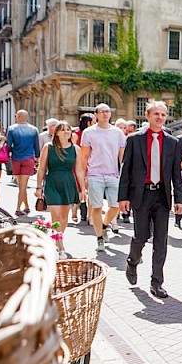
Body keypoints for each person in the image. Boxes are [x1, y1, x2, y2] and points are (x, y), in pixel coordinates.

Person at [118, 101, 182, 299]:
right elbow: (126, 171)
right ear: (147, 116)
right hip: (141, 195)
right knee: (141, 236)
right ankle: (132, 261)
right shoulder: (134, 140)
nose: (160, 117)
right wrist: (123, 197)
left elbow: (176, 174)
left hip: (162, 195)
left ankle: (157, 282)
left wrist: (179, 199)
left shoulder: (173, 143)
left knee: (161, 241)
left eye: (163, 115)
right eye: (156, 113)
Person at [35, 121, 86, 259]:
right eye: (62, 129)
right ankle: (61, 246)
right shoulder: (49, 147)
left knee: (64, 218)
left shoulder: (76, 149)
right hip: (52, 183)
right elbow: (41, 168)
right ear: (56, 133)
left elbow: (80, 171)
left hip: (68, 183)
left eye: (68, 129)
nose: (66, 132)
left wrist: (83, 189)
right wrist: (38, 187)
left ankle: (56, 239)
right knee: (56, 216)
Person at [80, 103, 126, 254]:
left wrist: (124, 175)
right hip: (95, 174)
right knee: (97, 207)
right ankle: (99, 237)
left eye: (108, 111)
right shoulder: (89, 132)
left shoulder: (118, 132)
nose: (106, 114)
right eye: (102, 112)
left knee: (115, 206)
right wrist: (84, 176)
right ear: (96, 114)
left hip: (113, 174)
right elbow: (84, 156)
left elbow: (122, 156)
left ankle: (105, 225)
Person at [5, 110, 40, 216]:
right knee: (22, 185)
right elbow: (36, 145)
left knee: (21, 185)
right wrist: (37, 157)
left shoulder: (11, 129)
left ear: (18, 117)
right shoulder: (34, 130)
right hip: (28, 158)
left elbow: (8, 146)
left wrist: (9, 154)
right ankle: (26, 206)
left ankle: (18, 208)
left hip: (16, 158)